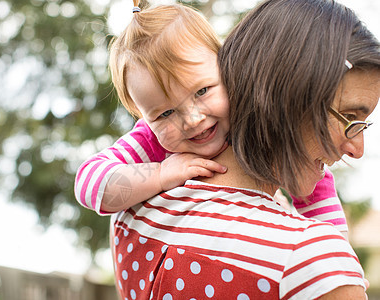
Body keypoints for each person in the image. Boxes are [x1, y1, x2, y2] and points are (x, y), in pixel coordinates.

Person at [111, 0, 380, 299]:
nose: (357, 148)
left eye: (202, 91)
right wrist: (336, 261)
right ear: (290, 90)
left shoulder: (131, 212)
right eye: (350, 118)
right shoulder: (311, 261)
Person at [74, 0, 350, 238]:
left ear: (225, 67)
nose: (192, 119)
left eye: (202, 91)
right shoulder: (151, 142)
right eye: (165, 113)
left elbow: (317, 187)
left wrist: (337, 254)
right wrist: (159, 174)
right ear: (142, 115)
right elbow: (88, 183)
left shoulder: (250, 116)